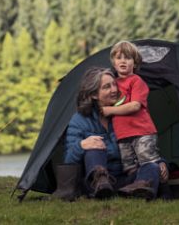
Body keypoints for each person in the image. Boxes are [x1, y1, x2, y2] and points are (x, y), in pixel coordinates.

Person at [64, 67, 167, 199]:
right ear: (94, 95)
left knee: (152, 167)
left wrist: (160, 162)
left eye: (114, 84)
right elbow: (68, 161)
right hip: (94, 182)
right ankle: (102, 185)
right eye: (107, 87)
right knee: (95, 146)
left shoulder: (126, 114)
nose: (114, 90)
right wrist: (82, 145)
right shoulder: (79, 120)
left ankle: (137, 191)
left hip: (126, 178)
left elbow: (143, 143)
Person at [101, 41, 162, 198]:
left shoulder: (136, 81)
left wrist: (109, 110)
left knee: (148, 162)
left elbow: (135, 106)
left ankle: (153, 190)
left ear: (134, 63)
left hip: (142, 131)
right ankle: (135, 191)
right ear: (113, 62)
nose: (123, 61)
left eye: (127, 58)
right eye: (119, 57)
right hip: (123, 136)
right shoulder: (112, 84)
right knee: (130, 167)